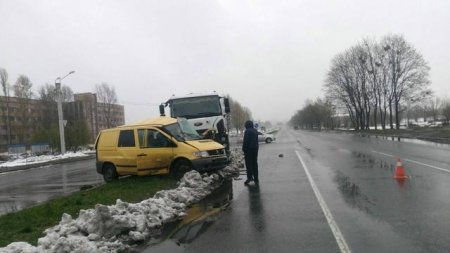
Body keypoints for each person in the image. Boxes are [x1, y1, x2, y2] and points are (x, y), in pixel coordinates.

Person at [242, 120, 259, 185]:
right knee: (255, 163)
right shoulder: (255, 131)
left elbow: (245, 141)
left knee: (248, 164)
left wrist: (243, 149)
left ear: (247, 125)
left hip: (249, 150)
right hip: (255, 149)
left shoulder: (247, 131)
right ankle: (256, 179)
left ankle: (249, 178)